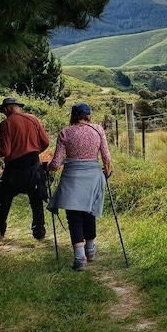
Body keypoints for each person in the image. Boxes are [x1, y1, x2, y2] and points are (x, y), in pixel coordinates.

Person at [47, 102, 112, 271]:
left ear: (73, 115)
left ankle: (79, 258)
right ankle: (90, 250)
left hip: (72, 178)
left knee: (74, 216)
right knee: (89, 211)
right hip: (93, 175)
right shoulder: (98, 130)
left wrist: (48, 168)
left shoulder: (65, 133)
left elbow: (56, 163)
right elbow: (106, 158)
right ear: (88, 115)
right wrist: (107, 173)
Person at [0, 97, 51, 240]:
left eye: (3, 111)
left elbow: (4, 152)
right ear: (18, 107)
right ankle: (39, 232)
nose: (4, 114)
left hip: (14, 170)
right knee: (36, 199)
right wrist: (33, 152)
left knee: (3, 199)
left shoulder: (6, 124)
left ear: (7, 108)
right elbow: (45, 142)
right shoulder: (33, 119)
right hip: (34, 166)